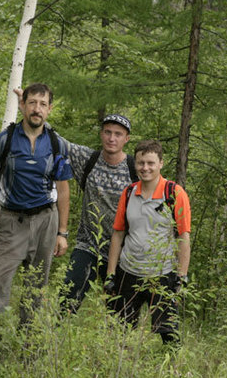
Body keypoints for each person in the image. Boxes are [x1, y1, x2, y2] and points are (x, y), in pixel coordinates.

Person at [0, 83, 73, 322]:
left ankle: (27, 345)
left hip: (45, 221)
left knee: (36, 287)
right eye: (32, 103)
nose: (37, 109)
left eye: (43, 104)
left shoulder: (56, 144)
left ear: (49, 109)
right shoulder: (4, 140)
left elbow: (63, 188)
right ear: (22, 105)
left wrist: (62, 232)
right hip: (12, 220)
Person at [105, 140, 191, 346]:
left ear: (161, 163)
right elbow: (118, 234)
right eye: (141, 163)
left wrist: (182, 276)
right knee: (120, 333)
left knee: (169, 336)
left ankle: (172, 371)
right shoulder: (128, 193)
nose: (145, 168)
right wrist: (110, 274)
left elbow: (184, 237)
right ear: (135, 164)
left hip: (162, 275)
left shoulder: (175, 194)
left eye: (151, 163)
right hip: (128, 272)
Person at [61, 114, 137, 314]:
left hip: (122, 252)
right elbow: (56, 141)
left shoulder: (135, 168)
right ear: (101, 134)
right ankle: (54, 341)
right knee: (67, 301)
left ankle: (117, 346)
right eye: (108, 132)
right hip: (88, 246)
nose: (112, 138)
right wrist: (30, 107)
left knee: (122, 315)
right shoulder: (88, 159)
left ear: (126, 139)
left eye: (118, 134)